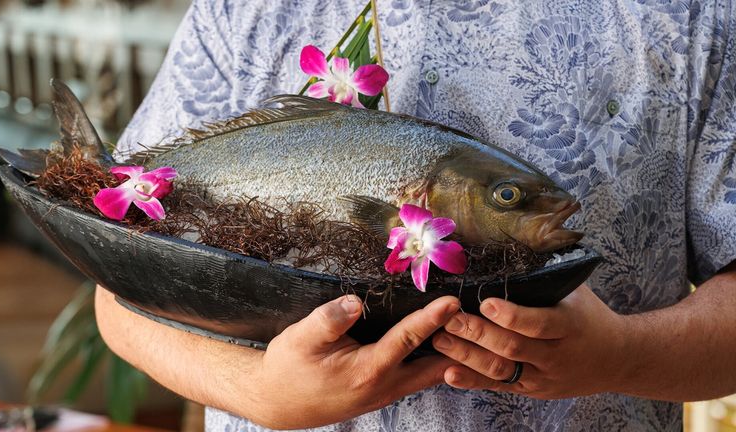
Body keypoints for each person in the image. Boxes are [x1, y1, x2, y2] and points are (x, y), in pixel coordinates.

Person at [96, 0, 736, 430]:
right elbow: (116, 288)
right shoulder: (244, 10)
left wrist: (622, 356)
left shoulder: (695, 15)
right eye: (510, 197)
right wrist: (257, 388)